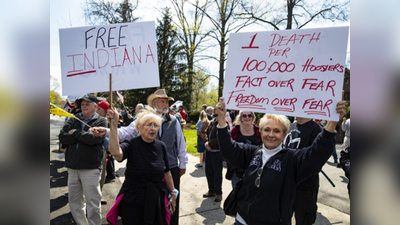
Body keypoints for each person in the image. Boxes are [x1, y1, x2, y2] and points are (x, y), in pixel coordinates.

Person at [215, 96, 346, 225]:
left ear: (284, 135)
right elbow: (228, 148)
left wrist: (332, 123)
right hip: (241, 221)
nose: (271, 134)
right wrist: (221, 121)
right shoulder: (252, 153)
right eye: (267, 130)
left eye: (277, 131)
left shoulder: (291, 159)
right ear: (260, 132)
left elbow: (316, 154)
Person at [91, 89, 188, 225]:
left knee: (170, 208)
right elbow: (125, 134)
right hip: (139, 186)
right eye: (162, 101)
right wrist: (109, 129)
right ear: (154, 104)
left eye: (167, 102)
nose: (165, 104)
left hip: (169, 169)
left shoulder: (174, 121)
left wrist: (182, 164)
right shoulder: (140, 124)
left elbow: (181, 143)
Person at [105, 106, 178, 225]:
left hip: (156, 201)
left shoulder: (161, 146)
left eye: (156, 125)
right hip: (133, 202)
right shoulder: (132, 144)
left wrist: (173, 194)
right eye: (148, 124)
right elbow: (116, 154)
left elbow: (167, 172)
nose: (152, 128)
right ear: (138, 127)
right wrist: (113, 126)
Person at [59, 94, 107, 225]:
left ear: (95, 106)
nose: (83, 106)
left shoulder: (101, 121)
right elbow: (62, 137)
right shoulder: (73, 119)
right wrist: (83, 136)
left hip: (90, 168)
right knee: (75, 202)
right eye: (82, 104)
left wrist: (74, 133)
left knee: (93, 202)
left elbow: (94, 140)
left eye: (87, 104)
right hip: (72, 167)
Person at [282, 117, 322, 225]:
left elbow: (316, 161)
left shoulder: (316, 129)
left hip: (305, 187)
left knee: (304, 220)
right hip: (287, 185)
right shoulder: (290, 126)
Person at [227, 111, 261, 189]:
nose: (247, 118)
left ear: (252, 117)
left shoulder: (258, 130)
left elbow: (262, 148)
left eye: (249, 115)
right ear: (241, 118)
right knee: (236, 192)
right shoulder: (235, 130)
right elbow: (230, 147)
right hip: (237, 167)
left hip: (253, 168)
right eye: (244, 116)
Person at [203, 106, 230, 202]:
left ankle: (218, 193)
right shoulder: (212, 121)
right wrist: (206, 142)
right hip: (209, 151)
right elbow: (205, 132)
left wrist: (209, 143)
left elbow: (221, 138)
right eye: (214, 109)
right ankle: (211, 190)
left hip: (217, 152)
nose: (213, 111)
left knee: (217, 173)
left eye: (215, 109)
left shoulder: (224, 123)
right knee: (209, 171)